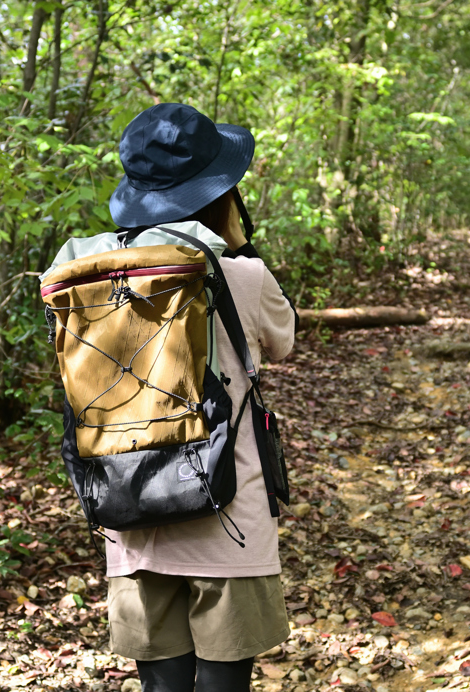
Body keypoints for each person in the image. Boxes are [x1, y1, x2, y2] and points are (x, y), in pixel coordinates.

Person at [101, 102, 297, 692]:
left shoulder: (89, 270)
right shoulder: (240, 273)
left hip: (130, 501)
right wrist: (238, 246)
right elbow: (281, 341)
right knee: (224, 678)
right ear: (219, 192)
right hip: (227, 507)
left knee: (160, 684)